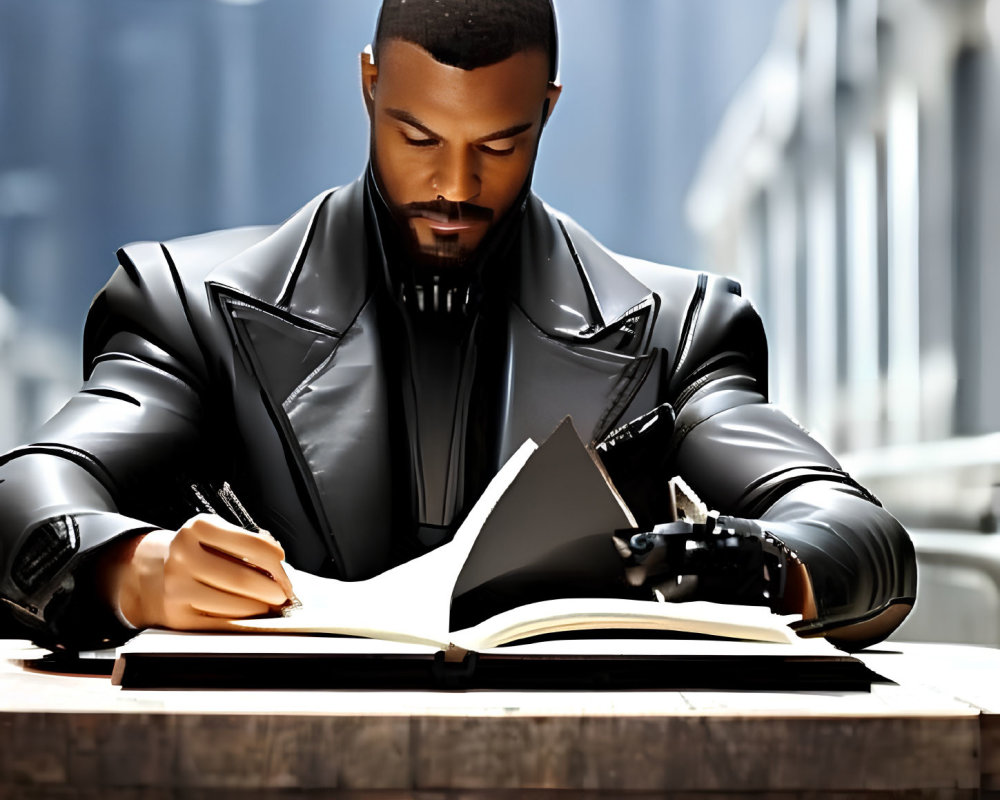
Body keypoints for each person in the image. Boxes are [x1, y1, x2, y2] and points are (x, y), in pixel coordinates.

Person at [0, 0, 915, 653]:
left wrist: (759, 565)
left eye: (499, 146)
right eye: (418, 136)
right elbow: (33, 488)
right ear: (367, 87)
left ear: (548, 109)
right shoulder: (185, 304)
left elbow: (857, 533)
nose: (454, 187)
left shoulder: (678, 328)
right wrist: (129, 566)